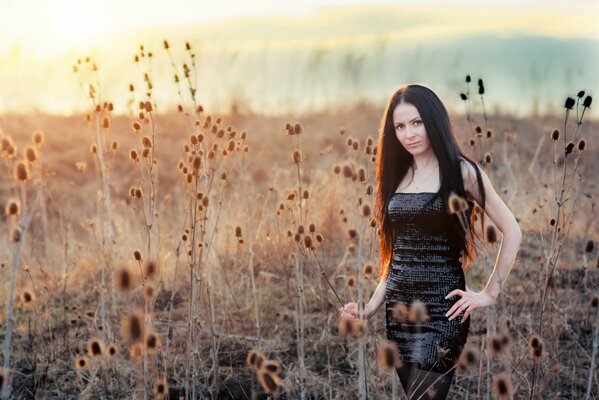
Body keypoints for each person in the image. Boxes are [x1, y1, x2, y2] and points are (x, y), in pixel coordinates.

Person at [341, 84, 522, 399]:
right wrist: (370, 306)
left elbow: (513, 230)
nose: (408, 133)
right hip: (399, 312)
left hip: (442, 310)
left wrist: (489, 293)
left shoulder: (462, 172)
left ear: (434, 121)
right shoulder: (396, 175)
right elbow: (397, 255)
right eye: (400, 126)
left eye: (417, 122)